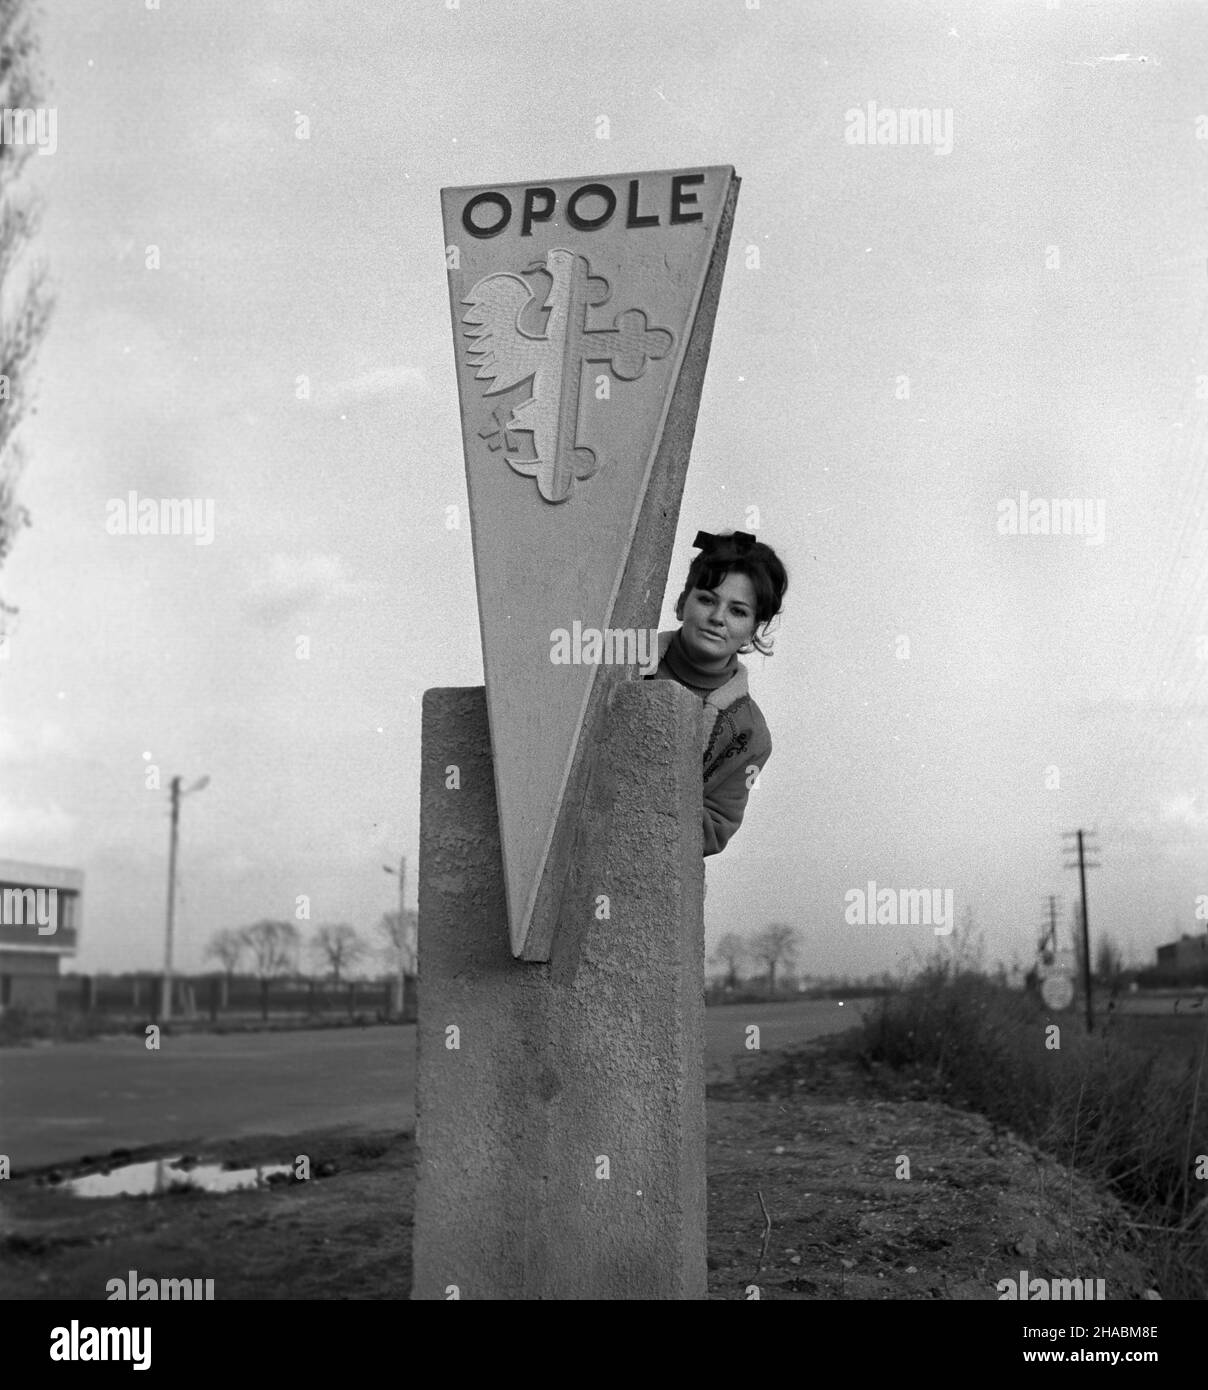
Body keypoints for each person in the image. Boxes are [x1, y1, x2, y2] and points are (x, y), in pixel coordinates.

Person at [644, 528, 788, 857]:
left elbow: (716, 827)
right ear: (682, 604)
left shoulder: (751, 735)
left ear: (753, 631)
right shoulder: (619, 659)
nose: (717, 618)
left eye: (738, 611)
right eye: (707, 599)